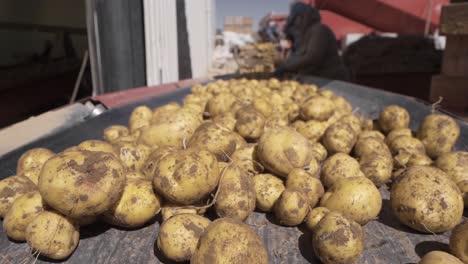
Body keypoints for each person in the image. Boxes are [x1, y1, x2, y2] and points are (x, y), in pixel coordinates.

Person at [274, 2, 349, 81]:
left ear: (304, 17)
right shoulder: (306, 34)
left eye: (297, 20)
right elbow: (299, 56)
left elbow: (312, 57)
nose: (296, 24)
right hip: (319, 79)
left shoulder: (319, 30)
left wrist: (286, 67)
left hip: (333, 80)